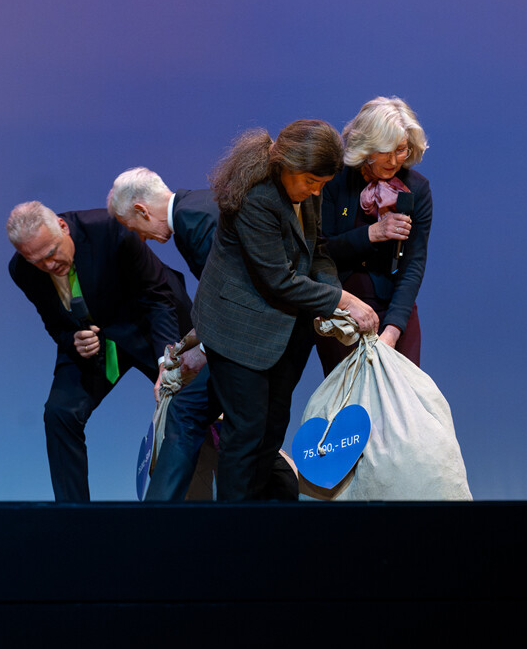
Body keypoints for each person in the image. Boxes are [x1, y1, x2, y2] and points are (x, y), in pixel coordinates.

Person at [193, 120, 379, 501]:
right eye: (312, 182)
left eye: (323, 184)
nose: (317, 191)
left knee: (273, 425)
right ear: (289, 164)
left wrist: (330, 291)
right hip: (238, 329)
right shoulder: (257, 196)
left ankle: (259, 514)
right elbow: (278, 279)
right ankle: (230, 524)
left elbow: (318, 250)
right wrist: (344, 301)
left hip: (284, 330)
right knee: (245, 430)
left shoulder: (306, 189)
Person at [7, 201, 192, 501]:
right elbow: (55, 325)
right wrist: (74, 340)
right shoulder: (22, 271)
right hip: (96, 341)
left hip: (149, 325)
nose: (49, 266)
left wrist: (166, 361)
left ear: (63, 227)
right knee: (60, 413)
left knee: (195, 404)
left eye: (52, 253)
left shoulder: (109, 229)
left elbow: (158, 298)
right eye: (38, 261)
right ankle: (75, 518)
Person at [107, 167, 220, 501]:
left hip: (246, 343)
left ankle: (155, 521)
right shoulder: (195, 207)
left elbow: (231, 288)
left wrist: (202, 351)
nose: (139, 240)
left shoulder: (192, 220)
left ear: (142, 210)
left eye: (133, 229)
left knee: (185, 413)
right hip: (242, 338)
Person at [315, 97, 431, 375]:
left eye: (401, 150)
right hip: (341, 307)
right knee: (350, 396)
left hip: (394, 307)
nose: (394, 161)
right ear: (365, 146)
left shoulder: (418, 189)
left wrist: (392, 331)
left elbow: (413, 265)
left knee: (403, 394)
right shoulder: (334, 181)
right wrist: (372, 233)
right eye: (385, 151)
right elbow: (320, 251)